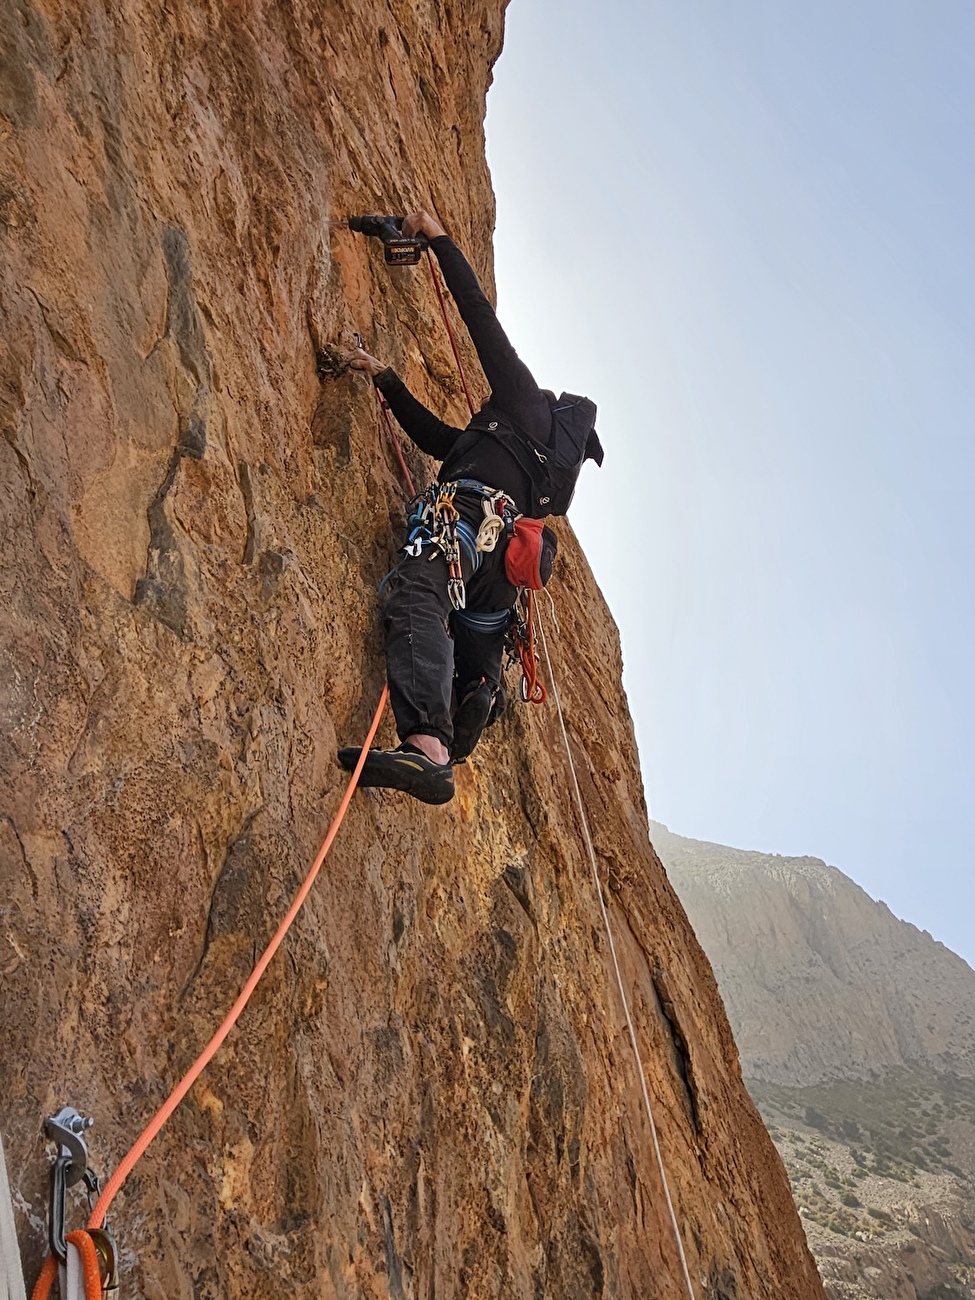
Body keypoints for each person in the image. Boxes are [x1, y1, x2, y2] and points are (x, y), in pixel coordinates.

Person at [338, 211, 602, 804]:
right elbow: (441, 439)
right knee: (464, 626)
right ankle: (475, 686)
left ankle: (429, 747)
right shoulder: (535, 477)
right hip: (496, 576)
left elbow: (480, 321)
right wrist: (385, 378)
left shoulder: (527, 407)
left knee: (417, 591)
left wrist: (437, 238)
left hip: (465, 527)